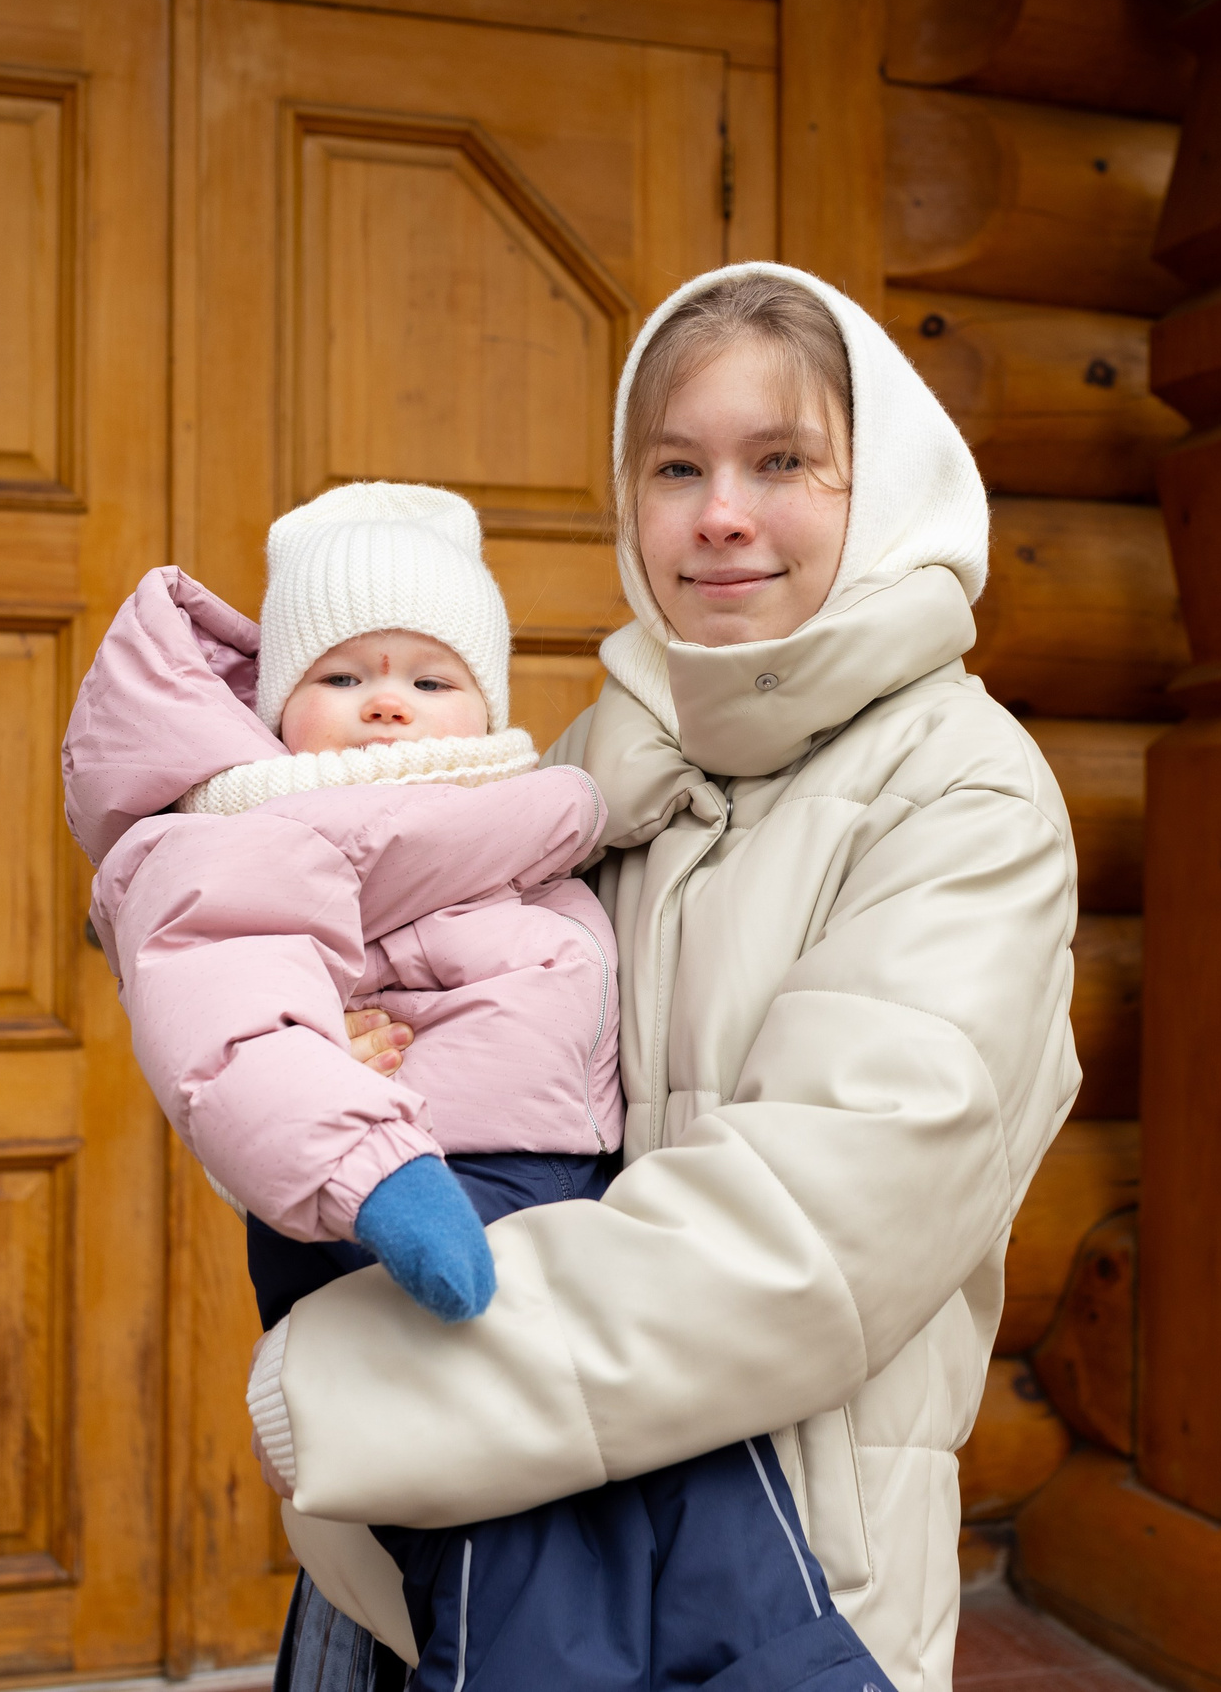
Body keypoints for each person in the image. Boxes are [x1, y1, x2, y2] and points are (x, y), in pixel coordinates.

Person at [256, 266, 1083, 1692]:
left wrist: (349, 1379)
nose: (720, 511)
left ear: (877, 484)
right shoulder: (575, 764)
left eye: (782, 462)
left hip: (777, 1588)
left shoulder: (961, 795)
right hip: (447, 1551)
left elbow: (808, 1241)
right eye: (677, 464)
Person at [62, 482, 895, 1692]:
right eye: (345, 676)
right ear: (277, 709)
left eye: (429, 676)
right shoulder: (257, 827)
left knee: (698, 1455)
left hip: (561, 1211)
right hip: (408, 1208)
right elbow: (230, 1013)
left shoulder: (522, 830)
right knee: (515, 1525)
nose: (389, 700)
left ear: (488, 703)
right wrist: (376, 1169)